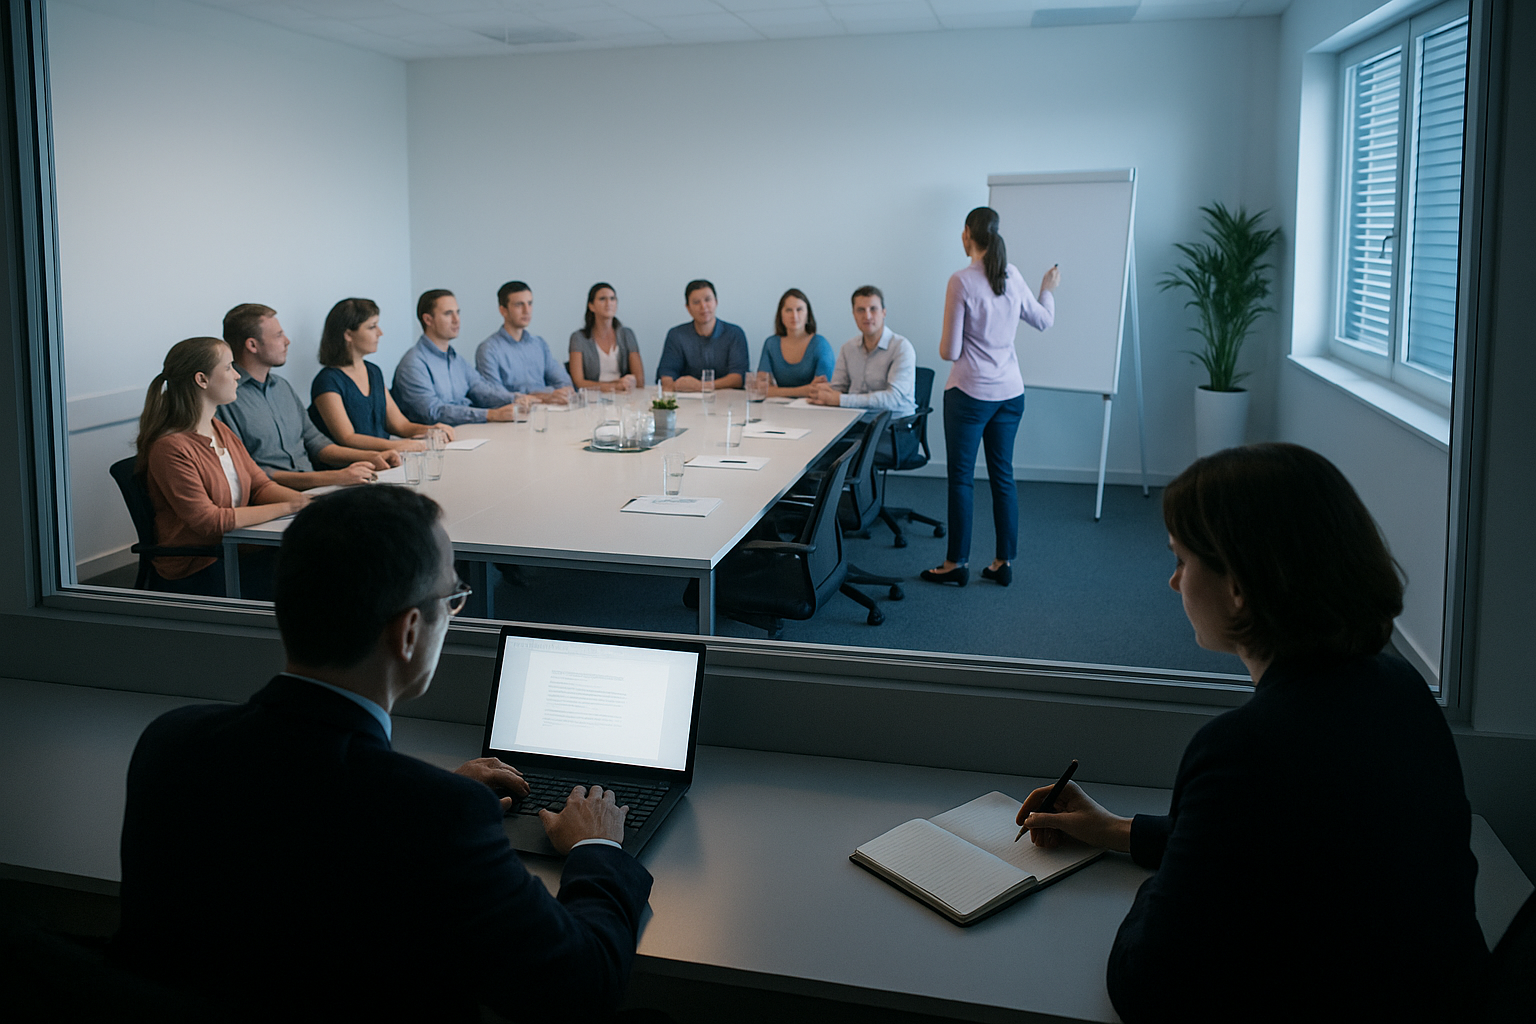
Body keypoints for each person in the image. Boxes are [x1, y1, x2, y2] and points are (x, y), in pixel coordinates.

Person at [114, 485, 653, 1022]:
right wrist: (597, 847)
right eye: (452, 599)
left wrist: (431, 791)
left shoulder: (171, 743)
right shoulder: (435, 818)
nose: (454, 613)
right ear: (410, 631)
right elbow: (583, 987)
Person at [1014, 444, 1487, 1023]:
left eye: (1182, 560)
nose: (1172, 582)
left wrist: (1162, 894)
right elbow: (1270, 838)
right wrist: (1113, 830)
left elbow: (1148, 983)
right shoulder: (1398, 688)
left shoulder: (1243, 748)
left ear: (1238, 586)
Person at [922, 206, 1058, 589]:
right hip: (1011, 395)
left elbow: (949, 351)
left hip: (969, 395)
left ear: (967, 234)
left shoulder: (961, 280)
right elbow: (1044, 320)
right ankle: (1003, 562)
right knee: (1004, 477)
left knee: (961, 479)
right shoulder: (1011, 275)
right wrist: (1047, 287)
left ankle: (955, 563)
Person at [135, 336, 308, 596]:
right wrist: (290, 507)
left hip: (236, 546)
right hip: (202, 563)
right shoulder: (170, 448)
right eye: (228, 368)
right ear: (202, 380)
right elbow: (210, 522)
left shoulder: (220, 428)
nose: (237, 375)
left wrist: (308, 505)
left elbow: (260, 486)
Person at [215, 303, 398, 489]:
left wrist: (373, 456)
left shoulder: (282, 387)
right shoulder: (226, 400)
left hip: (316, 488)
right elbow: (250, 471)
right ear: (252, 345)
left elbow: (317, 443)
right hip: (276, 498)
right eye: (278, 335)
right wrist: (335, 477)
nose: (287, 341)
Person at [309, 297, 453, 452]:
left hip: (383, 461)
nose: (380, 333)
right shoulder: (326, 381)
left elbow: (400, 425)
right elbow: (347, 438)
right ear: (348, 335)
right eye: (372, 327)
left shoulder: (373, 371)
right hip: (352, 469)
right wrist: (397, 446)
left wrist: (431, 430)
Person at [392, 289, 521, 425]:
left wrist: (517, 399)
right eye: (448, 314)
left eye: (457, 313)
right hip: (434, 440)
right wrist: (491, 414)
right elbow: (433, 412)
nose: (456, 320)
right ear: (428, 320)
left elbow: (481, 391)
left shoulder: (457, 360)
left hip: (466, 433)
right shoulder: (413, 364)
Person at [806, 285, 917, 416]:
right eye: (860, 310)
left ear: (884, 312)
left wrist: (841, 400)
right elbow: (838, 389)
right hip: (855, 421)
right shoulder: (848, 348)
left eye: (873, 309)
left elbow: (893, 399)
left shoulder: (901, 347)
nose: (867, 316)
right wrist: (822, 391)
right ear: (853, 314)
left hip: (894, 427)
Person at [475, 281, 573, 403]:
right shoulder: (488, 349)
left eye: (530, 304)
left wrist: (559, 393)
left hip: (549, 410)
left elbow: (564, 383)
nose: (527, 310)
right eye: (519, 305)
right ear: (503, 310)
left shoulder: (539, 344)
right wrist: (544, 396)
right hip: (515, 416)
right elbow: (496, 396)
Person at [656, 279, 749, 391]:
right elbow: (666, 373)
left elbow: (738, 378)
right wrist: (671, 389)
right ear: (688, 308)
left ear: (716, 302)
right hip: (686, 399)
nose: (703, 306)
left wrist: (701, 386)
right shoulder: (676, 335)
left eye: (708, 300)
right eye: (696, 302)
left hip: (726, 400)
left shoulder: (734, 333)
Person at [757, 288, 835, 397]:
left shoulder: (820, 344)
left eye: (799, 309)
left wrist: (776, 391)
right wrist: (804, 390)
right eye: (788, 310)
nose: (794, 316)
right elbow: (761, 389)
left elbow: (820, 390)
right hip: (778, 408)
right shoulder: (771, 343)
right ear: (781, 315)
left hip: (813, 409)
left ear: (808, 314)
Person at [568, 282, 643, 392]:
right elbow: (579, 382)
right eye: (602, 299)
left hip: (624, 395)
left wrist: (629, 382)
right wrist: (615, 385)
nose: (609, 303)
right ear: (591, 306)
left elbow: (640, 380)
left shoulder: (627, 334)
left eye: (612, 298)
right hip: (593, 398)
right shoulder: (579, 338)